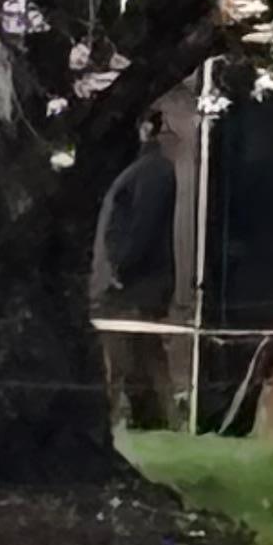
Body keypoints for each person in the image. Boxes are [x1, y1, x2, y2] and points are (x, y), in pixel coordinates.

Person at [92, 112, 181, 432]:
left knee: (128, 356)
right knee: (141, 355)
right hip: (135, 282)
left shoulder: (151, 171)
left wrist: (121, 268)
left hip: (136, 285)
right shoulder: (144, 170)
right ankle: (157, 421)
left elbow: (144, 226)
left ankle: (152, 420)